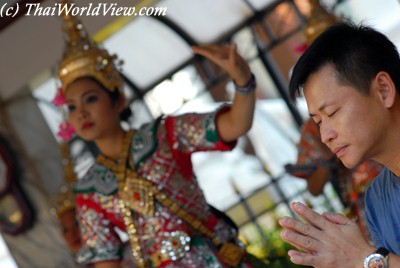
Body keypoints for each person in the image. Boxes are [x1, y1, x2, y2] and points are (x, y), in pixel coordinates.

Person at [55, 5, 267, 268]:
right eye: (72, 107)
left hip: (219, 258)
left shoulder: (164, 135)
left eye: (90, 99)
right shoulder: (89, 190)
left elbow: (235, 124)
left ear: (118, 100)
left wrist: (243, 82)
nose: (81, 113)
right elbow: (106, 260)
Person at [278, 21, 400, 267]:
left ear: (384, 90)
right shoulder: (376, 200)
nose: (325, 136)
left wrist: (365, 259)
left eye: (332, 112)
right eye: (318, 121)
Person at [285, 117, 382, 239]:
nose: (327, 136)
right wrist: (327, 159)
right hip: (365, 207)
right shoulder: (313, 129)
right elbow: (314, 189)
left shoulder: (359, 107)